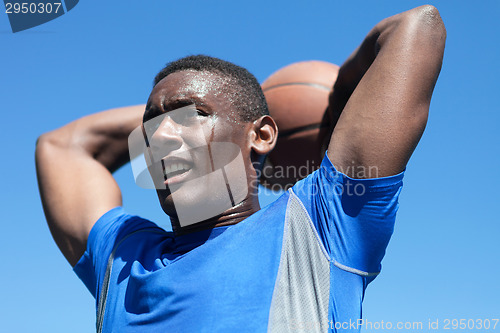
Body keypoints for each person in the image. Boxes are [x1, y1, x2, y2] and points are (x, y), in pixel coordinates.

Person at [35, 5, 446, 332]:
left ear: (262, 135)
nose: (160, 137)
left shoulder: (318, 226)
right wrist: (175, 113)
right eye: (152, 128)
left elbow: (417, 26)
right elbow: (60, 146)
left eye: (193, 114)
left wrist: (340, 89)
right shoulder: (123, 256)